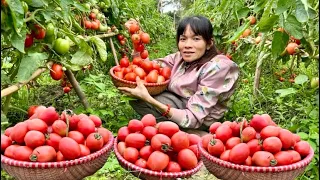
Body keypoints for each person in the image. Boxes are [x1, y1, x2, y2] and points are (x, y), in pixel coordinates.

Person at [119, 15, 240, 136]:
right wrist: (137, 43)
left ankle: (194, 133)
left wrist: (150, 100)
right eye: (183, 39)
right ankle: (177, 131)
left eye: (196, 39)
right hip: (180, 103)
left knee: (144, 99)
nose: (188, 45)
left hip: (200, 118)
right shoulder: (179, 58)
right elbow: (148, 68)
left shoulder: (218, 68)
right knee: (136, 97)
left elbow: (194, 117)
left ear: (209, 43)